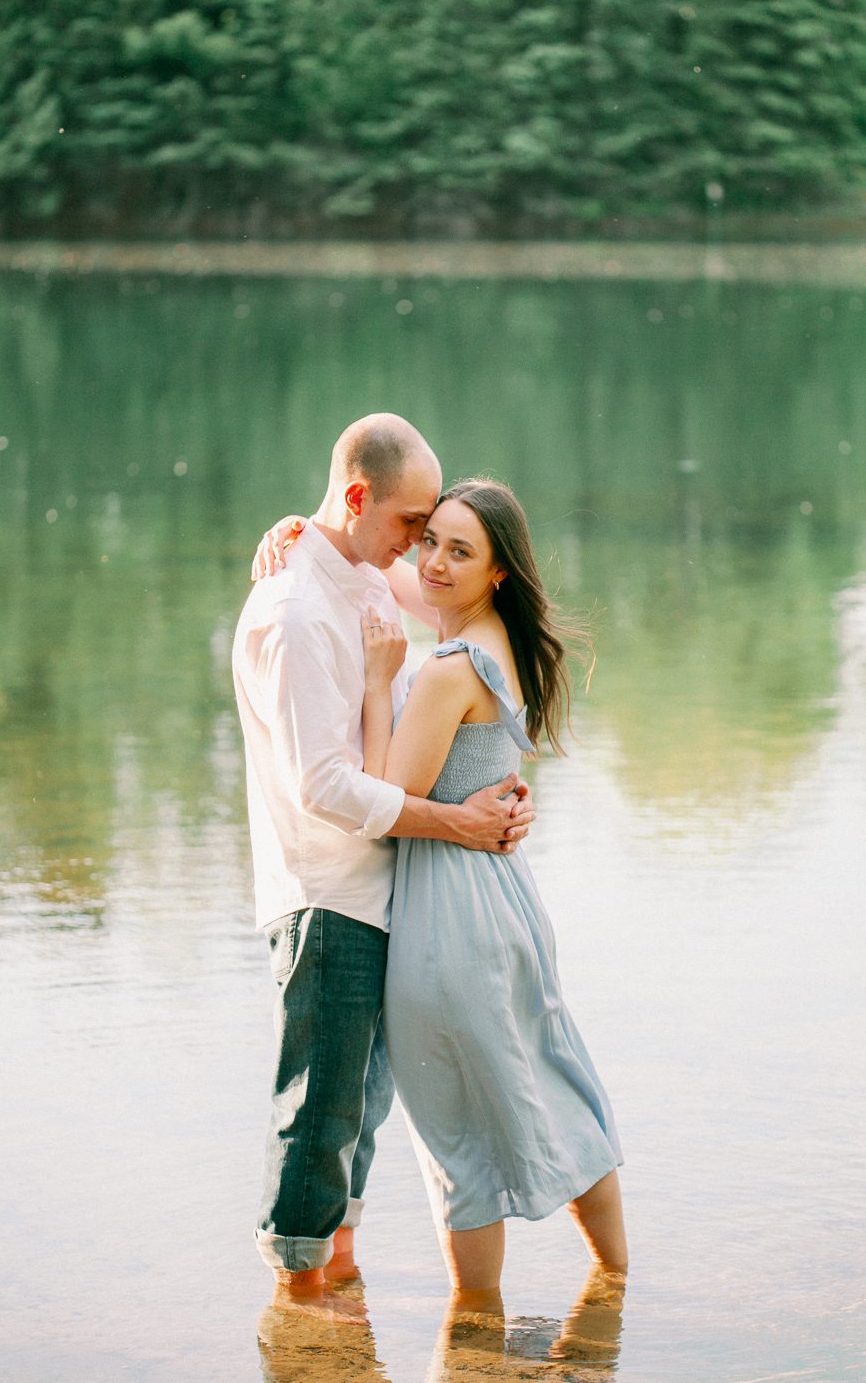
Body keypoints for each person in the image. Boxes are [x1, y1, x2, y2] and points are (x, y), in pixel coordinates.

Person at [258, 477, 626, 1301]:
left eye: (460, 550)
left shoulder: (449, 666)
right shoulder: (502, 640)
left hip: (448, 913)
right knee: (549, 1077)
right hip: (508, 902)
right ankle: (616, 1280)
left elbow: (389, 796)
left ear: (496, 570)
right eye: (429, 540)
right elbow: (382, 573)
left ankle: (473, 1325)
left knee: (455, 1130)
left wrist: (382, 677)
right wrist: (305, 532)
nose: (431, 561)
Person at [232, 415, 535, 1315]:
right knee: (318, 1110)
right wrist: (456, 823)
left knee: (361, 1113)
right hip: (327, 896)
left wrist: (499, 792)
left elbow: (433, 692)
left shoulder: (364, 576)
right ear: (361, 500)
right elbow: (324, 784)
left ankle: (340, 1279)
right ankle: (299, 1303)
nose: (420, 543)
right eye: (411, 522)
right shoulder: (293, 611)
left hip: (386, 891)